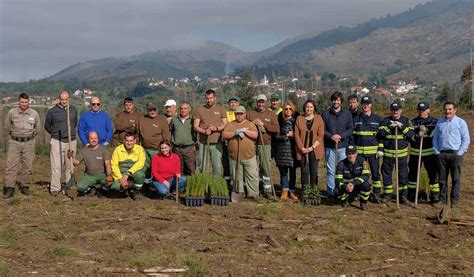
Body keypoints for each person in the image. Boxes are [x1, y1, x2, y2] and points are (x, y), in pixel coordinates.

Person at [433, 101, 470, 208]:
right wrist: (437, 151)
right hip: (442, 154)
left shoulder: (461, 122)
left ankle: (454, 201)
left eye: (450, 109)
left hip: (455, 155)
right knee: (441, 179)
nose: (447, 111)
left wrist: (460, 153)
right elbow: (435, 138)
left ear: (455, 110)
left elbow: (466, 139)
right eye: (446, 109)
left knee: (455, 179)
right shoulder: (439, 122)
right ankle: (442, 200)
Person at [3, 93, 41, 198]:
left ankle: (25, 186)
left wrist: (29, 137)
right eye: (22, 102)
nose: (24, 104)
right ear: (18, 102)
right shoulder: (12, 112)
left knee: (27, 166)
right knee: (11, 166)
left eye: (25, 102)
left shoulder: (34, 114)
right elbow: (7, 127)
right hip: (14, 142)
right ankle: (9, 188)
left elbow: (38, 128)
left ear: (28, 102)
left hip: (29, 142)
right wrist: (15, 136)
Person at [378, 102, 415, 203]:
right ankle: (387, 194)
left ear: (401, 110)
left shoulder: (406, 121)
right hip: (388, 155)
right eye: (393, 110)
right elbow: (380, 134)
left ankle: (403, 196)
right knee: (386, 175)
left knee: (403, 176)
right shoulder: (385, 121)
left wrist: (402, 127)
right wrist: (389, 127)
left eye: (397, 110)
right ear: (391, 110)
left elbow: (412, 134)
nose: (395, 111)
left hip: (402, 155)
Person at [222, 106, 260, 201]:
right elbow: (224, 135)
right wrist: (234, 133)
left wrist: (245, 131)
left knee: (252, 176)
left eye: (240, 114)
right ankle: (239, 192)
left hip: (249, 156)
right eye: (237, 114)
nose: (238, 116)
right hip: (235, 157)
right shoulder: (231, 124)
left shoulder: (250, 124)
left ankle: (253, 194)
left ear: (245, 114)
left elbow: (255, 135)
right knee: (236, 177)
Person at [44, 90, 78, 196]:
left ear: (69, 99)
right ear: (59, 99)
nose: (64, 101)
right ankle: (55, 188)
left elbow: (75, 123)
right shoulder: (52, 111)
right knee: (56, 166)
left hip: (70, 141)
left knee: (69, 166)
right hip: (56, 141)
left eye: (66, 99)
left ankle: (69, 187)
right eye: (62, 99)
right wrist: (54, 133)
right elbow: (47, 126)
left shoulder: (73, 110)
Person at [321, 91, 354, 198]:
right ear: (331, 101)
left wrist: (341, 136)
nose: (336, 102)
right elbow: (322, 129)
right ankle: (331, 191)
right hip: (330, 146)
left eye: (338, 100)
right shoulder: (325, 114)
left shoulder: (347, 114)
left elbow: (350, 128)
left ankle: (343, 190)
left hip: (343, 146)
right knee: (331, 170)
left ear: (341, 101)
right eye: (334, 100)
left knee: (343, 170)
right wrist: (331, 136)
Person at [247, 94, 279, 198]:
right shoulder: (250, 113)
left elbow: (276, 129)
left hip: (265, 144)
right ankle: (253, 189)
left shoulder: (271, 114)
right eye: (259, 102)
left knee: (266, 168)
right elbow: (244, 125)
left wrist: (263, 124)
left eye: (262, 102)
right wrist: (252, 123)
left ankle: (268, 190)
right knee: (252, 168)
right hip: (251, 143)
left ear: (265, 103)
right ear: (256, 102)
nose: (261, 104)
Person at [352, 96, 383, 203]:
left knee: (375, 173)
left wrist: (381, 149)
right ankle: (358, 192)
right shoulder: (356, 119)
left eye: (368, 104)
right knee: (359, 173)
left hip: (373, 153)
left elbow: (381, 136)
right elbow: (353, 136)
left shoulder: (377, 119)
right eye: (364, 104)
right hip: (360, 154)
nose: (366, 106)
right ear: (361, 105)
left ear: (371, 105)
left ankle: (376, 193)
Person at [407, 102, 439, 203]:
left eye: (424, 110)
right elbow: (410, 135)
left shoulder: (435, 122)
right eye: (420, 110)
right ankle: (412, 193)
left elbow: (436, 135)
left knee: (433, 174)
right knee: (413, 174)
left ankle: (435, 195)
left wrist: (428, 133)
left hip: (429, 153)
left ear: (428, 110)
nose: (421, 112)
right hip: (416, 153)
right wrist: (416, 136)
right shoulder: (412, 122)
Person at [294, 100, 325, 198]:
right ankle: (305, 191)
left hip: (315, 149)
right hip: (302, 150)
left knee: (314, 171)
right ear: (304, 107)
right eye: (307, 107)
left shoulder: (319, 118)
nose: (309, 109)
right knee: (304, 171)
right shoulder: (299, 118)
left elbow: (321, 135)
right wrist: (302, 148)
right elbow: (296, 134)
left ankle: (314, 190)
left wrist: (312, 147)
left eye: (311, 107)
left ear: (314, 108)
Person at [193, 89, 227, 175]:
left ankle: (215, 187)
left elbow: (225, 124)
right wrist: (205, 131)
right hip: (203, 143)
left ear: (215, 98)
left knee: (217, 167)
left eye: (211, 98)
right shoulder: (199, 109)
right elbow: (195, 126)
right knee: (202, 167)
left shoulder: (221, 109)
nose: (209, 100)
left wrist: (216, 128)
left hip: (217, 143)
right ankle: (204, 186)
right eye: (207, 98)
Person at [72, 131, 112, 196]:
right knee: (80, 187)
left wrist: (109, 175)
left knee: (109, 184)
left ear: (98, 139)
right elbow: (76, 163)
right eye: (91, 138)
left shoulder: (104, 150)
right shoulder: (84, 150)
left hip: (102, 174)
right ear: (88, 139)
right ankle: (91, 189)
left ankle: (100, 189)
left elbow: (107, 164)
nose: (94, 140)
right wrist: (71, 157)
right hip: (89, 175)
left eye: (95, 138)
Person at [275, 100, 300, 202]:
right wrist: (285, 136)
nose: (288, 111)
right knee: (283, 172)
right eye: (286, 109)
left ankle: (292, 191)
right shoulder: (279, 121)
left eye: (290, 109)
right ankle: (284, 191)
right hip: (281, 150)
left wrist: (295, 135)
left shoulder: (297, 121)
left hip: (293, 149)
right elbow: (276, 136)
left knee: (293, 172)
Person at [139, 103, 171, 178]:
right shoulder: (142, 119)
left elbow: (166, 134)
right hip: (144, 149)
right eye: (150, 110)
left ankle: (157, 184)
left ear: (157, 110)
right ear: (147, 110)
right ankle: (146, 185)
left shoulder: (162, 119)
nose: (152, 112)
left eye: (154, 110)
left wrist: (167, 146)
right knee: (145, 168)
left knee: (157, 168)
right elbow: (138, 133)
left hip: (157, 149)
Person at [335, 145, 371, 210]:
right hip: (347, 187)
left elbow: (366, 175)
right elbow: (338, 180)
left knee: (366, 185)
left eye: (353, 154)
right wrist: (345, 186)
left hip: (358, 185)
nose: (351, 156)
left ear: (356, 153)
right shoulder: (341, 164)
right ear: (346, 154)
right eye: (349, 154)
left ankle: (363, 202)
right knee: (336, 191)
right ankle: (345, 201)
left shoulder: (362, 161)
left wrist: (353, 183)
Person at [170, 102, 197, 176]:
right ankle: (180, 186)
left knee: (191, 168)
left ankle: (191, 185)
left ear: (189, 110)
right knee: (178, 168)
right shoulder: (174, 119)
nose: (183, 110)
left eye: (185, 108)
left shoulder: (193, 120)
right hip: (177, 148)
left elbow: (197, 133)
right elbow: (170, 131)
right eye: (181, 108)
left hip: (189, 148)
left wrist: (195, 145)